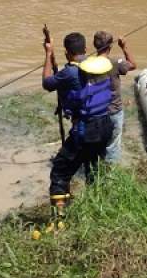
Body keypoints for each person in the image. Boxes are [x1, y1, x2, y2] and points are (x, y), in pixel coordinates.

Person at [42, 32, 114, 225]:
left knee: (60, 171)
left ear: (67, 53)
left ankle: (59, 220)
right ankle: (98, 208)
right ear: (85, 49)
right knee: (93, 168)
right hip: (106, 125)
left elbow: (47, 83)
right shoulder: (99, 64)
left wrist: (48, 55)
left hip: (86, 129)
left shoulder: (70, 72)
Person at [92, 31, 137, 164]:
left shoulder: (88, 64)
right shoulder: (116, 63)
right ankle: (110, 175)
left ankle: (96, 170)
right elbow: (133, 65)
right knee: (112, 146)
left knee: (98, 144)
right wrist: (124, 47)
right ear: (110, 47)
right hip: (114, 110)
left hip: (96, 112)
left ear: (94, 45)